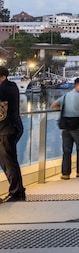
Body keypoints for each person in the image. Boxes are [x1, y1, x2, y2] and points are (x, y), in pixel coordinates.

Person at [52, 77, 79, 179]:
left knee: (66, 150)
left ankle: (65, 173)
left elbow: (54, 105)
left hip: (65, 127)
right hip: (78, 127)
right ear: (76, 86)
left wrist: (64, 109)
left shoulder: (66, 95)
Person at [0, 66, 26, 202]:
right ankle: (18, 191)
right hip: (11, 128)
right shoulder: (12, 86)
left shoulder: (4, 89)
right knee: (8, 162)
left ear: (2, 77)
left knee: (9, 163)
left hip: (5, 130)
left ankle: (17, 192)